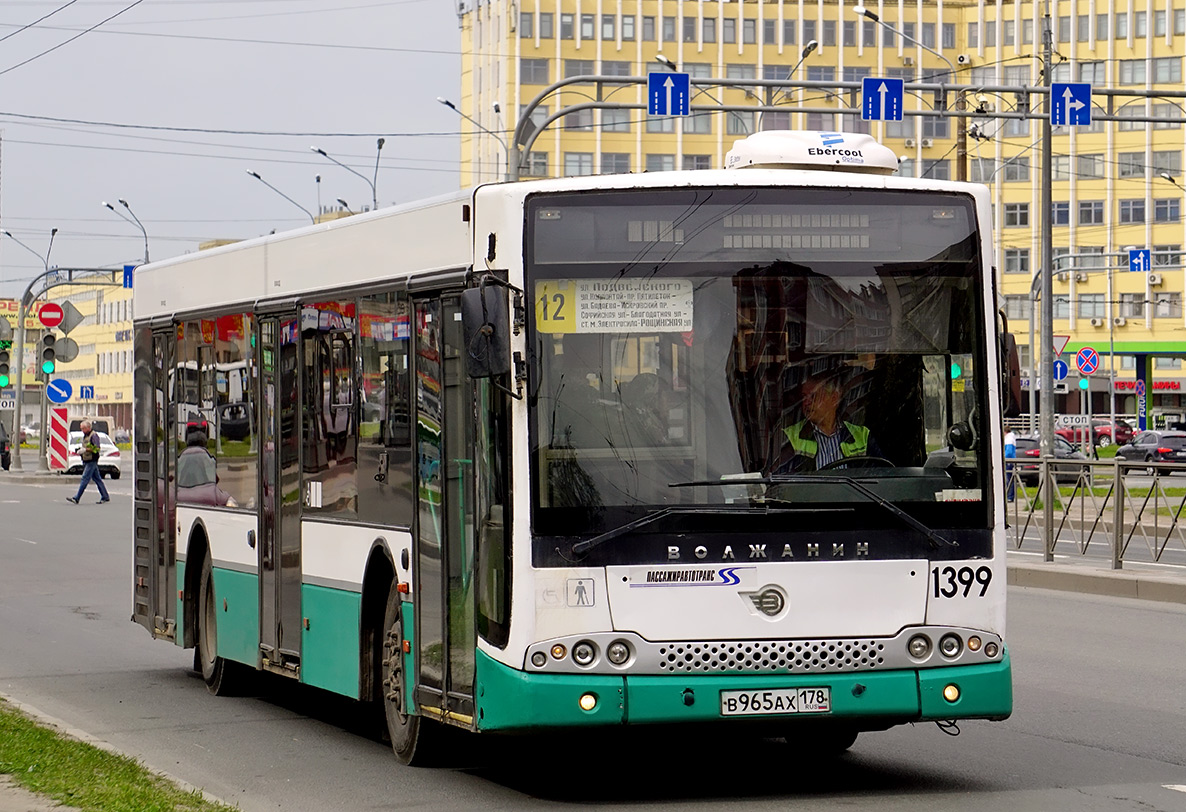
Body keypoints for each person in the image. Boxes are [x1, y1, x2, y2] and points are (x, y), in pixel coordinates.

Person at [774, 373, 882, 473]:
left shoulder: (861, 436)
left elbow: (883, 476)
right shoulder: (788, 437)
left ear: (834, 398)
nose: (806, 402)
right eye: (803, 396)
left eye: (813, 396)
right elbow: (781, 484)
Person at [67, 420, 110, 504]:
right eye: (81, 428)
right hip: (87, 459)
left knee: (85, 478)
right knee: (97, 479)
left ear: (88, 427)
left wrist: (85, 450)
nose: (82, 430)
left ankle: (77, 498)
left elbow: (97, 448)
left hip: (92, 460)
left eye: (83, 428)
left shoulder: (94, 436)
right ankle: (105, 496)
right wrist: (80, 450)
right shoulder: (86, 435)